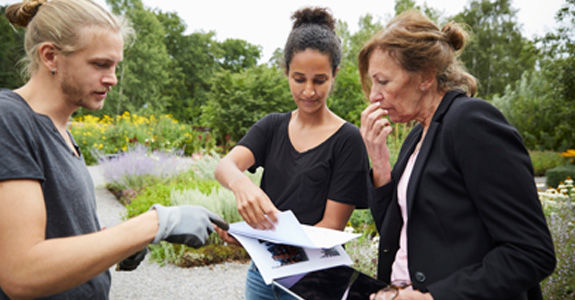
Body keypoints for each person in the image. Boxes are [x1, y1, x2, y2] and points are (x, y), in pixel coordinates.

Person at [0, 1, 227, 299]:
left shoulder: (61, 131)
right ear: (51, 56)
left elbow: (60, 234)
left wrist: (119, 243)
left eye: (115, 66)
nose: (113, 79)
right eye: (100, 64)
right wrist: (156, 222)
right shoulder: (9, 120)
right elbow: (22, 272)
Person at [358, 10, 556, 300]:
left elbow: (530, 252)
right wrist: (379, 161)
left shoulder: (470, 121)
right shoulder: (417, 135)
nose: (373, 95)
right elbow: (395, 232)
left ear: (425, 76)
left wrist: (433, 297)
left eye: (383, 81)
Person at [213, 7, 370, 300]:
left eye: (319, 80)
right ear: (286, 71)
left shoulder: (348, 140)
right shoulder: (272, 126)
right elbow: (225, 166)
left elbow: (330, 227)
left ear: (335, 74)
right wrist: (242, 185)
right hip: (263, 277)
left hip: (315, 281)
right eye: (299, 79)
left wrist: (258, 241)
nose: (309, 91)